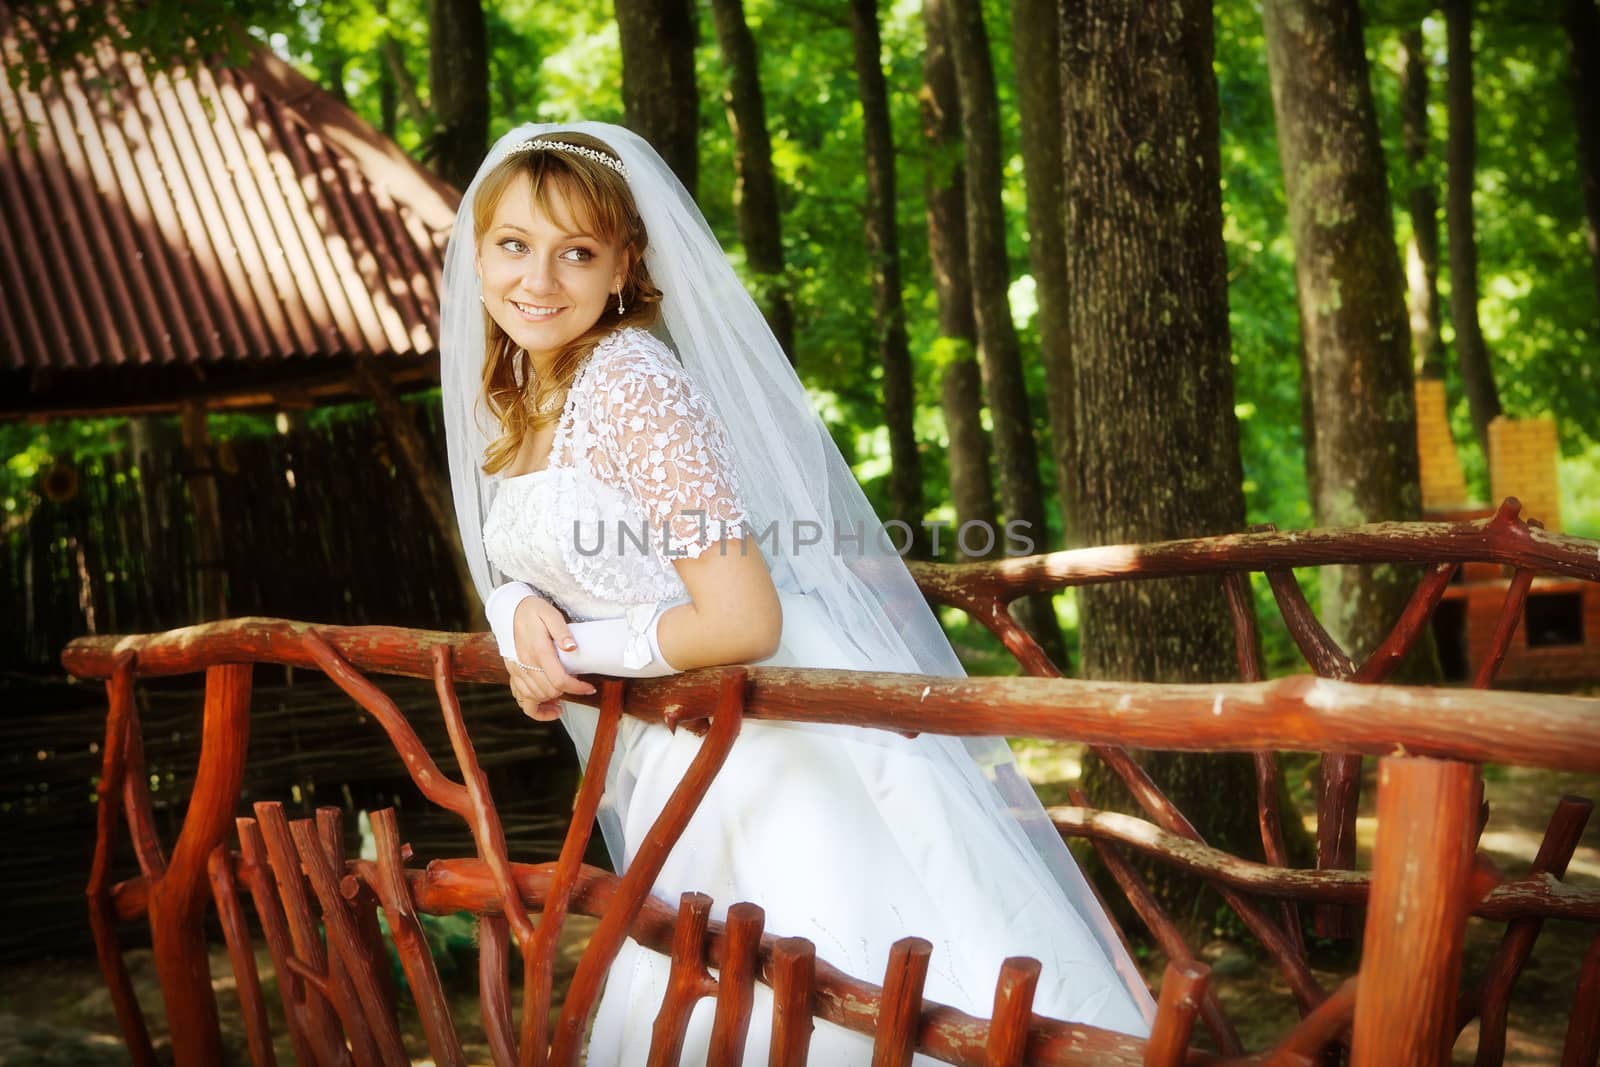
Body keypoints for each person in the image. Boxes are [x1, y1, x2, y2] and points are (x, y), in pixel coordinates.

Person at [441, 122, 1154, 1064]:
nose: (539, 280)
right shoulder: (532, 393)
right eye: (514, 246)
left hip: (766, 749)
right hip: (684, 750)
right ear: (477, 255)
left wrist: (565, 653)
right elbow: (561, 557)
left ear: (624, 267)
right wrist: (512, 608)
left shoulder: (631, 385)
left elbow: (742, 616)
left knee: (816, 1002)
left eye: (576, 252)